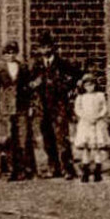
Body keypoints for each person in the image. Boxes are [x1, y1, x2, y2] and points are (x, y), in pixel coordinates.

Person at [29, 39, 79, 179]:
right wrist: (34, 84)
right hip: (42, 106)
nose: (45, 50)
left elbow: (76, 77)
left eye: (47, 46)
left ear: (53, 48)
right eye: (42, 47)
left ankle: (67, 169)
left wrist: (66, 87)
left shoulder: (62, 64)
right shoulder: (37, 65)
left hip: (59, 105)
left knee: (61, 137)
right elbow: (30, 83)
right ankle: (53, 167)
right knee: (47, 138)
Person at [0, 42, 35, 180]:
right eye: (7, 53)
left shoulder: (23, 67)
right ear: (4, 54)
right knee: (8, 139)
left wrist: (31, 106)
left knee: (23, 138)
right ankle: (9, 170)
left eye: (13, 52)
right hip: (5, 107)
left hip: (21, 105)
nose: (10, 55)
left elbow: (28, 89)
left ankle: (25, 170)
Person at [72, 72, 110, 182]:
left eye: (92, 85)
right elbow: (77, 109)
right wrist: (85, 117)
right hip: (85, 123)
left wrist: (98, 116)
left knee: (96, 148)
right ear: (83, 86)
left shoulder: (100, 95)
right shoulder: (81, 97)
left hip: (97, 123)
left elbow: (104, 107)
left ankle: (97, 172)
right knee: (86, 148)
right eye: (87, 85)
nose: (90, 87)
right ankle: (85, 172)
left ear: (95, 85)